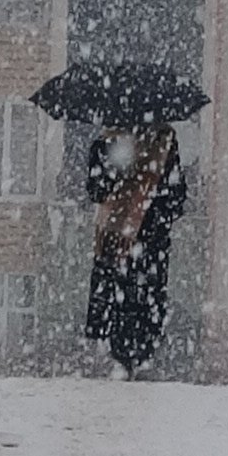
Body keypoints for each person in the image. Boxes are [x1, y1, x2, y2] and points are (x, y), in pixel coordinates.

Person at [83, 123, 189, 377]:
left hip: (117, 242)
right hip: (147, 246)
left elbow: (95, 190)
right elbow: (176, 199)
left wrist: (119, 190)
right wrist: (152, 204)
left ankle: (124, 359)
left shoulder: (106, 144)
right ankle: (137, 359)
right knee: (143, 302)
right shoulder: (162, 145)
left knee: (120, 301)